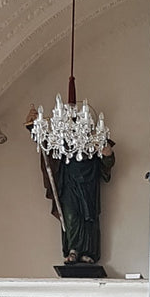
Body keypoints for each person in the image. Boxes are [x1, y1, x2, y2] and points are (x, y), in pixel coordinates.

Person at [25, 106, 115, 264]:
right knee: (71, 217)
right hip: (69, 185)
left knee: (89, 219)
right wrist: (33, 125)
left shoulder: (93, 143)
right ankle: (73, 249)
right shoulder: (62, 144)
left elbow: (106, 164)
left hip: (88, 187)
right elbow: (45, 144)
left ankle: (88, 252)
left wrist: (108, 154)